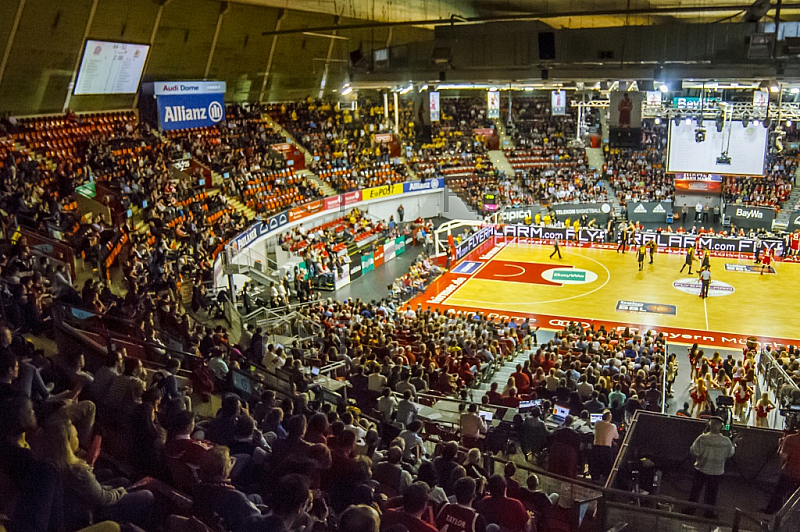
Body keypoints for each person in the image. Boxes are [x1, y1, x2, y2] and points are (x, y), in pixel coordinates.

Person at [686, 417, 738, 517]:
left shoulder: (702, 438)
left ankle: (690, 510)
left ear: (708, 426)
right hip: (716, 472)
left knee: (695, 491)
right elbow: (730, 453)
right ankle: (709, 513)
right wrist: (734, 442)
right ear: (721, 427)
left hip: (701, 469)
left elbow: (693, 451)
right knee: (711, 494)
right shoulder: (726, 441)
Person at [765, 430, 800, 513]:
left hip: (790, 471)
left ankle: (772, 511)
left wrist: (781, 445)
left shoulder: (791, 439)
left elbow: (784, 456)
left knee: (780, 492)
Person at [590, 410, 619, 481]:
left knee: (596, 465)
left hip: (596, 447)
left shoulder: (597, 423)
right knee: (606, 466)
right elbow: (616, 437)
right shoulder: (613, 426)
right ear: (610, 418)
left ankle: (595, 478)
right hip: (606, 449)